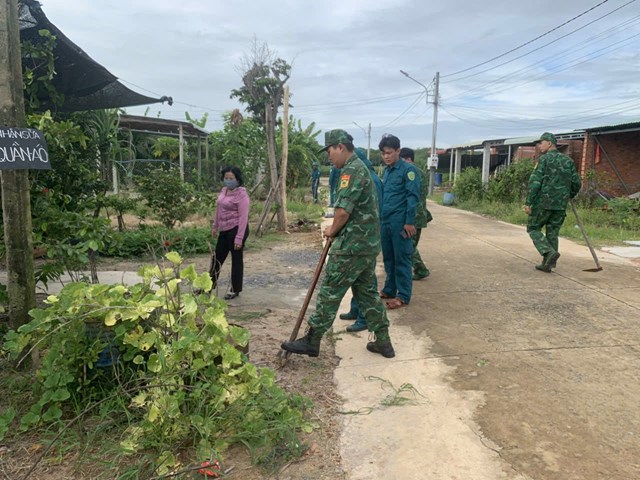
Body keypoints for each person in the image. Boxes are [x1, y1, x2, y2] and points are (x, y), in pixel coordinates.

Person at [281, 129, 395, 359]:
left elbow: (343, 212)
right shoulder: (358, 168)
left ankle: (312, 340)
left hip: (352, 247)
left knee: (330, 291)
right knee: (367, 294)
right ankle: (383, 341)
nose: (328, 157)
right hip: (365, 245)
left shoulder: (351, 171)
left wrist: (331, 230)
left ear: (340, 147)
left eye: (330, 151)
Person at [339, 147, 383, 332]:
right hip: (360, 238)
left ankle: (365, 318)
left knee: (367, 282)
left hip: (366, 239)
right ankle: (356, 310)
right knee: (358, 280)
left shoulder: (368, 178)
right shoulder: (364, 174)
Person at [524, 132, 581, 272]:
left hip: (543, 203)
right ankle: (548, 264)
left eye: (541, 142)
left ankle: (548, 253)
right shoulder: (568, 161)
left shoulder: (544, 160)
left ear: (549, 143)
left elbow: (535, 182)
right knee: (552, 232)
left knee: (533, 228)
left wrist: (528, 202)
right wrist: (569, 195)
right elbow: (577, 183)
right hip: (560, 205)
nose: (539, 145)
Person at [379, 134, 420, 309]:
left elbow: (412, 197)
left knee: (402, 259)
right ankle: (389, 289)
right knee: (388, 258)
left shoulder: (408, 171)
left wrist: (409, 222)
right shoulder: (386, 171)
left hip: (400, 223)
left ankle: (403, 296)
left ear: (398, 151)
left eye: (389, 152)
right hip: (385, 221)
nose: (386, 156)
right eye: (383, 153)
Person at [210, 166, 250, 299]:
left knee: (236, 259)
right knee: (217, 258)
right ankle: (208, 285)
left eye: (231, 178)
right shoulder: (223, 191)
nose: (228, 181)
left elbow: (243, 217)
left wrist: (239, 238)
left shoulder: (242, 195)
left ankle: (235, 289)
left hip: (237, 229)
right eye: (226, 178)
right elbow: (219, 210)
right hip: (224, 229)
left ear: (237, 179)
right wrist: (215, 226)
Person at [399, 147, 432, 280]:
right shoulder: (421, 172)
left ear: (408, 159)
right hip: (420, 215)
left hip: (413, 216)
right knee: (411, 244)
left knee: (407, 244)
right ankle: (416, 268)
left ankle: (421, 269)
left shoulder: (410, 172)